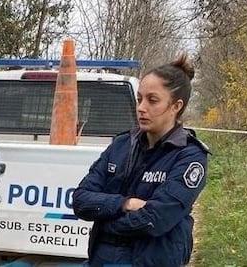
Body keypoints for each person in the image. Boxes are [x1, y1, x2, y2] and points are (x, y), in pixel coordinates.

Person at [72, 54, 210, 267]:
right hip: (101, 258)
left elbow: (156, 218)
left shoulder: (189, 156)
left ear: (176, 106)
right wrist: (124, 203)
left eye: (152, 100)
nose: (141, 108)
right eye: (139, 99)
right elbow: (80, 199)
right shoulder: (121, 145)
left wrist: (105, 220)